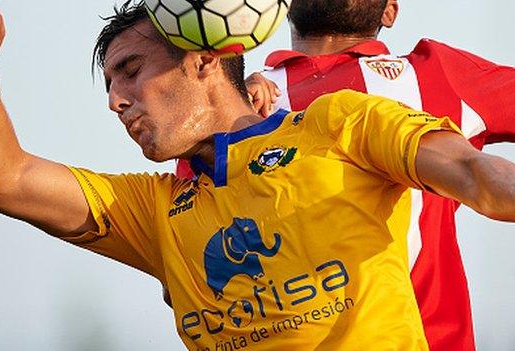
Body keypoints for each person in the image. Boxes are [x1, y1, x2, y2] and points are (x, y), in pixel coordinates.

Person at [0, 0, 515, 350]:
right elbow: (1, 179)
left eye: (131, 70)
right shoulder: (154, 210)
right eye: (109, 84)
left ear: (204, 59)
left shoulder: (339, 123)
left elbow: (478, 177)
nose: (115, 101)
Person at [176, 1, 515, 350]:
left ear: (389, 11)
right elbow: (189, 263)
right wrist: (228, 104)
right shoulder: (237, 102)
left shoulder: (437, 73)